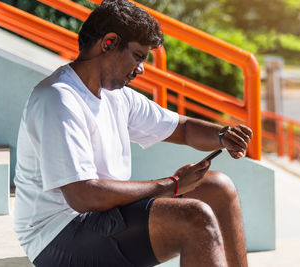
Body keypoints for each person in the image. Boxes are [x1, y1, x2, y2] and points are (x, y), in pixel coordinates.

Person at [13, 1, 252, 266]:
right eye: (138, 56)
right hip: (57, 236)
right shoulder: (58, 99)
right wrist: (172, 185)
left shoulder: (118, 97)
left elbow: (183, 129)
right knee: (194, 219)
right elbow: (84, 196)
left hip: (102, 215)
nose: (141, 69)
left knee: (218, 188)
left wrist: (223, 134)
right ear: (109, 42)